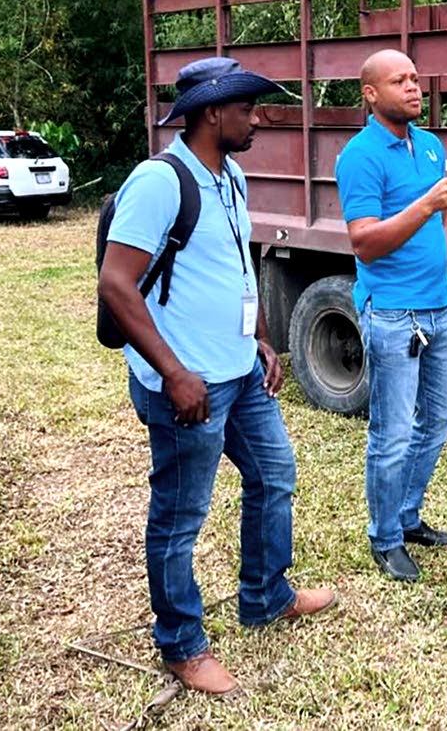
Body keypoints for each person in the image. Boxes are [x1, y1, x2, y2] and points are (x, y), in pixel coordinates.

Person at [99, 57, 336, 695]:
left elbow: (232, 265)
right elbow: (116, 284)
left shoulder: (228, 173)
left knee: (275, 475)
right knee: (180, 516)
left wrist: (259, 336)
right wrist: (174, 373)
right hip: (188, 386)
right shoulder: (159, 181)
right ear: (212, 114)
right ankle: (180, 643)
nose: (256, 119)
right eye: (245, 109)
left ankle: (264, 594)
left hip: (237, 371)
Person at [335, 49, 447, 583]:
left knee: (439, 419)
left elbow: (442, 229)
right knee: (393, 432)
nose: (414, 87)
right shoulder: (360, 156)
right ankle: (386, 537)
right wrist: (426, 202)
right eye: (400, 81)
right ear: (372, 94)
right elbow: (365, 243)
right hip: (394, 314)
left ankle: (407, 515)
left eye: (417, 78)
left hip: (439, 310)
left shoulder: (431, 145)